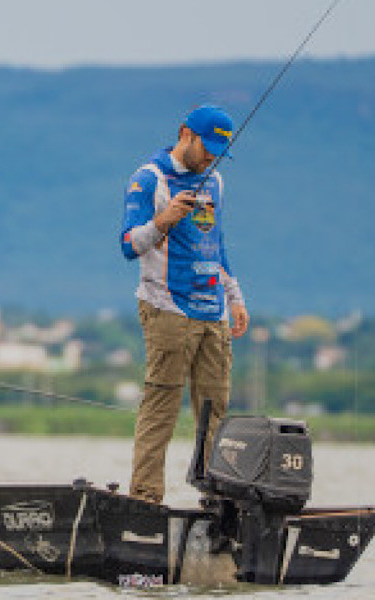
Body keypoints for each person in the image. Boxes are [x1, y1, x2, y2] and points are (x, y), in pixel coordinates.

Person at [117, 105, 251, 504]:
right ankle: (145, 498)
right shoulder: (148, 179)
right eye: (206, 149)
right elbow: (128, 245)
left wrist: (235, 298)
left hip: (213, 310)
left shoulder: (217, 181)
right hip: (166, 308)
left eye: (218, 153)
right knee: (161, 407)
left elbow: (217, 243)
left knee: (216, 411)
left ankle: (217, 500)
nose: (211, 158)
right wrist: (163, 220)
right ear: (185, 134)